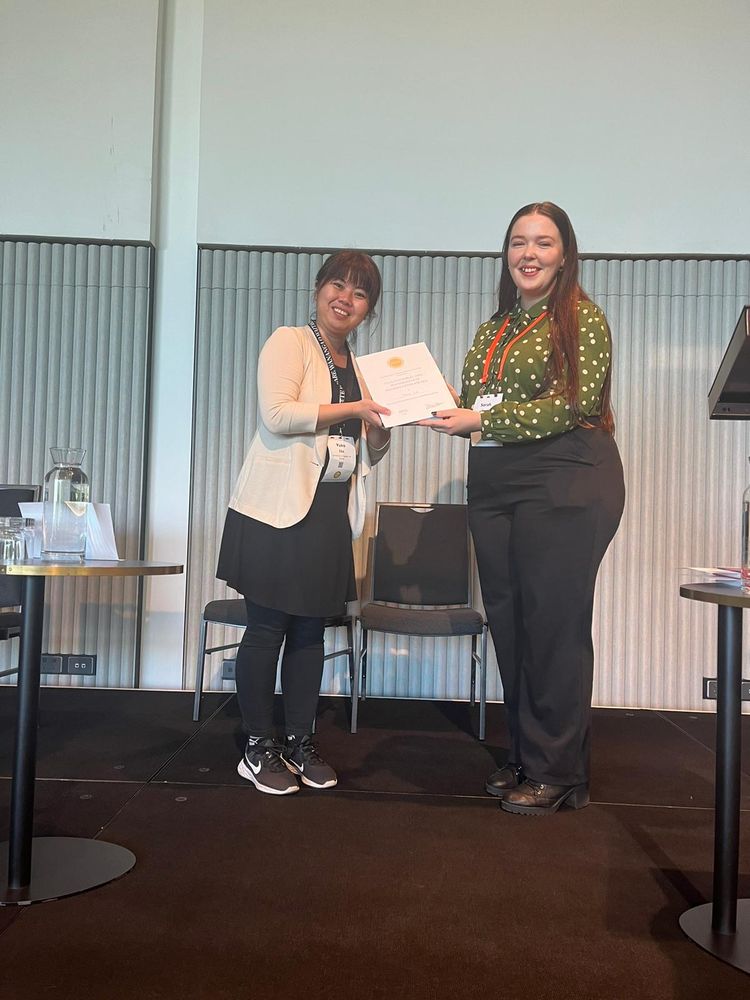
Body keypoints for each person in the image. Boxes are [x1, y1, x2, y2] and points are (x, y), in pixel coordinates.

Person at [420, 202, 625, 815]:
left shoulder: (583, 320)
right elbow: (478, 401)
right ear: (505, 254)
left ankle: (558, 771)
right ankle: (529, 755)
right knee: (510, 624)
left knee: (553, 627)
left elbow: (572, 404)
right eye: (517, 243)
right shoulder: (495, 328)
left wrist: (480, 417)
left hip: (564, 477)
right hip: (496, 480)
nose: (528, 254)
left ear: (565, 254)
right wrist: (426, 401)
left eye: (543, 243)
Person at [216, 251, 391, 795]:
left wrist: (383, 424)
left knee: (311, 632)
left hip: (328, 513)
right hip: (276, 509)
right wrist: (356, 408)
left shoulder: (360, 367)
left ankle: (298, 740)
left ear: (369, 310)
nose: (346, 298)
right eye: (337, 285)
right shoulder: (289, 341)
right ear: (318, 290)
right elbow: (278, 414)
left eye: (359, 293)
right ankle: (256, 745)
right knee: (268, 628)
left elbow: (373, 448)